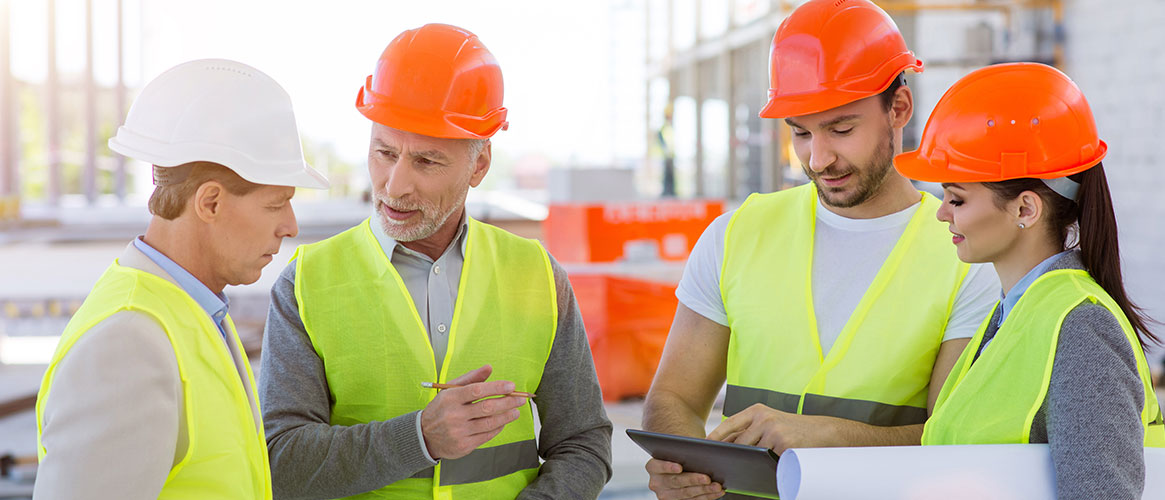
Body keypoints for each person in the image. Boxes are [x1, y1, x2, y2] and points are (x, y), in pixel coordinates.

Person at [641, 1, 999, 498]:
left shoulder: (967, 257)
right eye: (801, 133)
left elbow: (951, 438)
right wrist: (685, 469)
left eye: (842, 128)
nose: (819, 158)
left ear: (899, 108)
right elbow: (673, 397)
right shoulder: (736, 234)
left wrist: (831, 436)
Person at [259, 23, 612, 499]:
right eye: (384, 152)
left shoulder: (539, 277)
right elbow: (282, 465)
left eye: (426, 162)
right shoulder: (305, 284)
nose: (395, 185)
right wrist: (420, 438)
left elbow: (584, 442)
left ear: (480, 164)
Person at [33, 59, 329, 499]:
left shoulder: (195, 310)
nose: (290, 226)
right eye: (275, 204)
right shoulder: (129, 341)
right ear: (209, 202)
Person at [896, 62, 1165, 499]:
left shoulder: (1080, 329)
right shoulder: (1014, 315)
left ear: (1025, 209)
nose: (941, 212)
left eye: (957, 197)